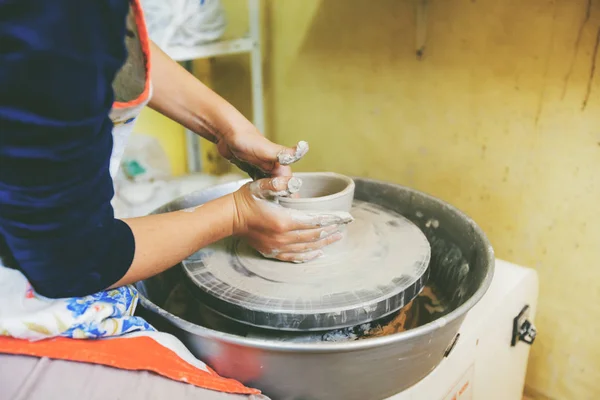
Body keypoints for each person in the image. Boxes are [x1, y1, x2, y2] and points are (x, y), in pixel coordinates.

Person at [0, 0, 352, 301]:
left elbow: (110, 47)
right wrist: (235, 215)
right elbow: (72, 261)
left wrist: (228, 126)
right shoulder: (45, 25)